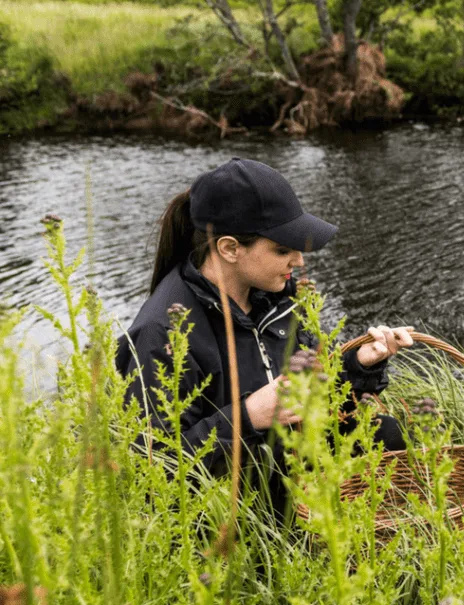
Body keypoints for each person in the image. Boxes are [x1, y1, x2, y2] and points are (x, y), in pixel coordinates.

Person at [115, 157, 412, 502]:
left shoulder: (276, 296)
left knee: (382, 433)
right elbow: (151, 469)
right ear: (229, 248)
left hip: (283, 462)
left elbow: (310, 400)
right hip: (229, 501)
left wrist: (358, 365)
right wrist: (247, 417)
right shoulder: (161, 332)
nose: (299, 261)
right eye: (283, 249)